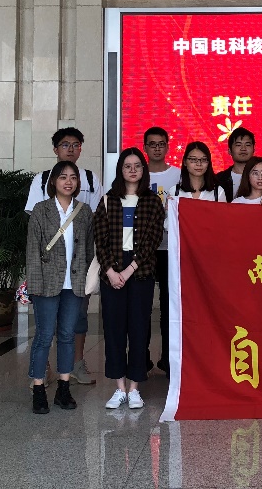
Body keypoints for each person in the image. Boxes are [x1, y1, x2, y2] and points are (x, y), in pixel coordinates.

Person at [24, 127, 103, 386]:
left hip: (78, 269)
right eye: (65, 144)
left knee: (77, 321)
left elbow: (95, 221)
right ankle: (44, 370)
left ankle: (75, 365)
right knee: (46, 328)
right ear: (55, 149)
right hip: (49, 271)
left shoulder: (90, 178)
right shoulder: (41, 180)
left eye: (76, 144)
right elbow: (35, 229)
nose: (71, 149)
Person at [94, 148, 165, 411]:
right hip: (112, 270)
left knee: (138, 329)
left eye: (137, 166)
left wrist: (128, 270)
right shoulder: (108, 200)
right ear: (120, 170)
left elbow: (152, 241)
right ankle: (119, 387)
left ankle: (134, 388)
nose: (132, 170)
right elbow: (99, 240)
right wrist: (111, 271)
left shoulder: (152, 201)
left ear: (143, 170)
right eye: (127, 166)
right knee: (114, 329)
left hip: (140, 271)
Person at [143, 127, 181, 375]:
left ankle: (168, 359)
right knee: (143, 305)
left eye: (161, 144)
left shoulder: (178, 175)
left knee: (169, 305)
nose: (157, 148)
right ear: (145, 147)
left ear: (167, 147)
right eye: (152, 144)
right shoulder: (138, 173)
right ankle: (142, 359)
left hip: (171, 249)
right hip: (145, 249)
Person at [214, 128, 256, 202]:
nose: (243, 148)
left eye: (247, 145)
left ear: (253, 150)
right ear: (229, 150)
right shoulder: (219, 179)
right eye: (238, 145)